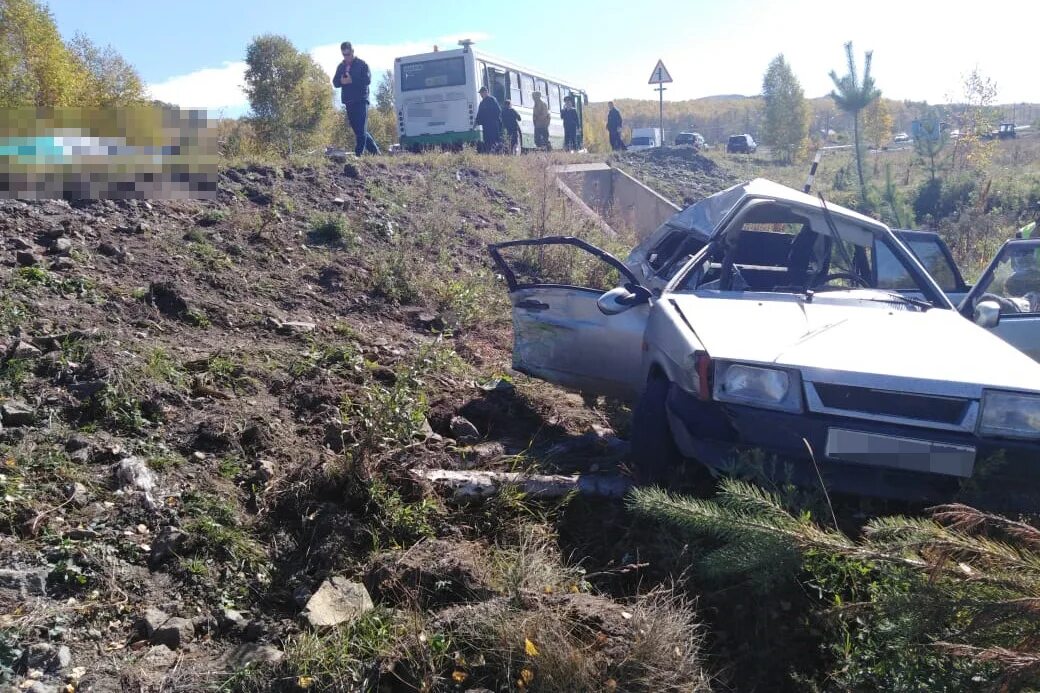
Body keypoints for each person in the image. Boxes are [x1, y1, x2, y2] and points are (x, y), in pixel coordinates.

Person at [332, 41, 379, 156]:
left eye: (348, 54)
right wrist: (341, 81)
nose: (346, 57)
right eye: (344, 54)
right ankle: (376, 154)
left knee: (361, 129)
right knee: (359, 131)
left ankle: (358, 155)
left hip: (361, 100)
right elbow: (335, 82)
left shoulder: (362, 65)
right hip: (349, 101)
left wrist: (352, 80)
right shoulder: (341, 66)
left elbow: (367, 80)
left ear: (352, 51)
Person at [475, 86, 502, 153]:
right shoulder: (482, 103)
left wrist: (494, 119)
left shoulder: (492, 100)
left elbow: (498, 111)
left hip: (493, 124)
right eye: (480, 93)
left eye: (482, 93)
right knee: (487, 140)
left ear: (486, 92)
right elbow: (479, 114)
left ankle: (497, 153)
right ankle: (489, 153)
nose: (481, 95)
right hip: (486, 125)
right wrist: (476, 123)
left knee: (495, 139)